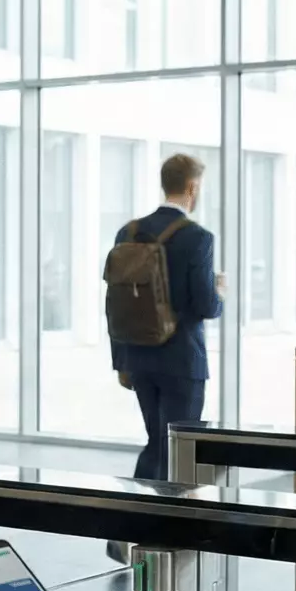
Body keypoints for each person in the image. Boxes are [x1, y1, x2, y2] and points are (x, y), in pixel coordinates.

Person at [112, 154, 226, 482]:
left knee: (155, 442)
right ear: (192, 186)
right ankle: (174, 526)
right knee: (180, 449)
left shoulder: (128, 232)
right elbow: (206, 307)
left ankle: (131, 521)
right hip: (182, 361)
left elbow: (116, 300)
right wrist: (220, 292)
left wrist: (121, 360)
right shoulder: (198, 237)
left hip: (138, 357)